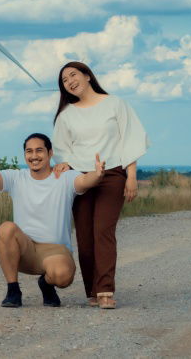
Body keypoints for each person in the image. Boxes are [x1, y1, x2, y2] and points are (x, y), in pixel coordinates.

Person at [0, 134, 106, 308]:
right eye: (29, 151)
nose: (34, 156)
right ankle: (13, 290)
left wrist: (97, 174)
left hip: (54, 251)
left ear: (50, 153)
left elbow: (85, 181)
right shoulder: (17, 178)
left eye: (39, 150)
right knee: (6, 228)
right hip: (24, 249)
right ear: (25, 155)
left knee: (63, 275)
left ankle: (47, 284)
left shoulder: (65, 177)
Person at [51, 61, 149, 310]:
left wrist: (131, 175)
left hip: (112, 174)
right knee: (84, 238)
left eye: (73, 75)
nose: (70, 81)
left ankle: (105, 289)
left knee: (103, 231)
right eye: (64, 80)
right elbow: (63, 150)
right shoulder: (66, 115)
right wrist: (64, 165)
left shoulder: (116, 104)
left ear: (87, 75)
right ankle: (92, 291)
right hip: (81, 178)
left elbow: (130, 138)